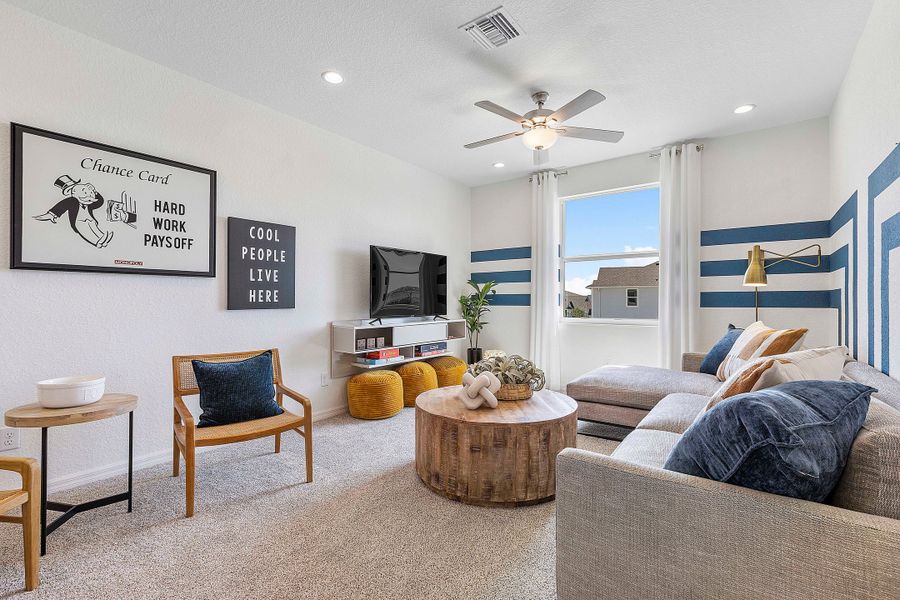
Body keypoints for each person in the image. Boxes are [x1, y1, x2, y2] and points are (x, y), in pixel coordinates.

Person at [33, 175, 112, 247]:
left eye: (89, 193)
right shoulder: (73, 201)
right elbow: (62, 206)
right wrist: (51, 214)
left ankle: (102, 237)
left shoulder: (88, 205)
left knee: (93, 225)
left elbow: (99, 203)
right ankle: (97, 242)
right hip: (79, 222)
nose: (89, 194)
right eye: (84, 191)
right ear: (73, 193)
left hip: (90, 220)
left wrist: (95, 192)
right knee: (86, 230)